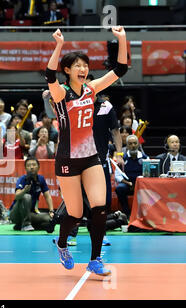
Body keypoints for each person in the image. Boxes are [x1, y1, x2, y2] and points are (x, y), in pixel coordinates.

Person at [45, 26, 128, 276]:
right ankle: (61, 244)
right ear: (68, 70)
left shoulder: (92, 89)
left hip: (91, 157)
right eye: (78, 66)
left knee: (100, 207)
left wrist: (122, 39)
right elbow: (49, 74)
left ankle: (95, 260)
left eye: (85, 65)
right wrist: (58, 45)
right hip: (68, 160)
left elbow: (120, 69)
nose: (83, 69)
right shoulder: (61, 93)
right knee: (75, 213)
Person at [9, 157, 55, 232]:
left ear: (38, 167)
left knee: (49, 219)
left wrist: (51, 211)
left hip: (30, 213)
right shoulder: (22, 179)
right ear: (25, 168)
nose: (31, 167)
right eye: (29, 165)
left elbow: (47, 196)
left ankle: (20, 226)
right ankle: (26, 225)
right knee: (27, 197)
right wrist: (24, 190)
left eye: (34, 165)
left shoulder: (41, 179)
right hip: (16, 214)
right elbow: (17, 196)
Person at [115, 135, 148, 219]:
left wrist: (138, 183)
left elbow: (148, 175)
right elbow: (117, 176)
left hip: (141, 184)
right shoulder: (122, 159)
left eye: (134, 143)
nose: (133, 146)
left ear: (138, 144)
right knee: (119, 188)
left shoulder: (145, 158)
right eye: (130, 144)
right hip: (128, 184)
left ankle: (144, 214)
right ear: (127, 145)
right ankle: (127, 212)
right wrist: (128, 183)